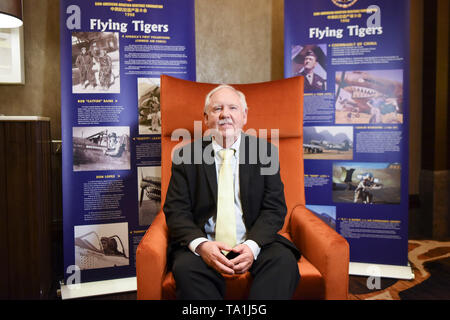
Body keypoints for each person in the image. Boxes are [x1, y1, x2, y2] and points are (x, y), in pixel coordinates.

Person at [163, 85, 301, 300]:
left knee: (283, 262)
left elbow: (274, 209)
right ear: (207, 117)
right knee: (185, 269)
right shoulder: (185, 155)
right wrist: (202, 246)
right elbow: (176, 211)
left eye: (233, 108)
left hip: (254, 240)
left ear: (244, 115)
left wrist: (251, 246)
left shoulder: (265, 153)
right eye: (217, 108)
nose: (225, 114)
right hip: (206, 242)